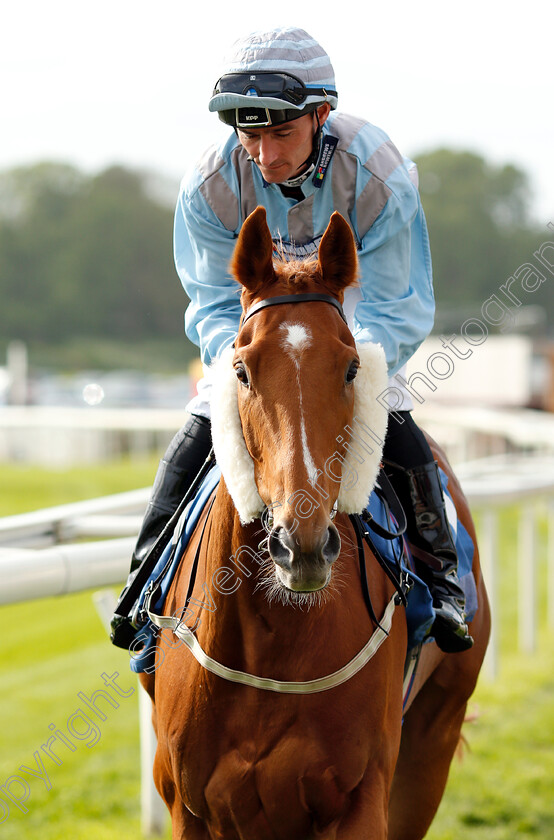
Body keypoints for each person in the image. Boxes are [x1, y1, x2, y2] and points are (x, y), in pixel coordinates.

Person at [111, 26, 473, 653]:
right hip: (260, 325)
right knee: (200, 422)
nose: (265, 154)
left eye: (281, 132)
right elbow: (213, 303)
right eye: (249, 134)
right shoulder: (208, 184)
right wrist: (250, 362)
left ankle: (444, 585)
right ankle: (143, 588)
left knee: (394, 413)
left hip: (351, 318)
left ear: (321, 115)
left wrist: (341, 368)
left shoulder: (377, 173)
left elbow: (397, 304)